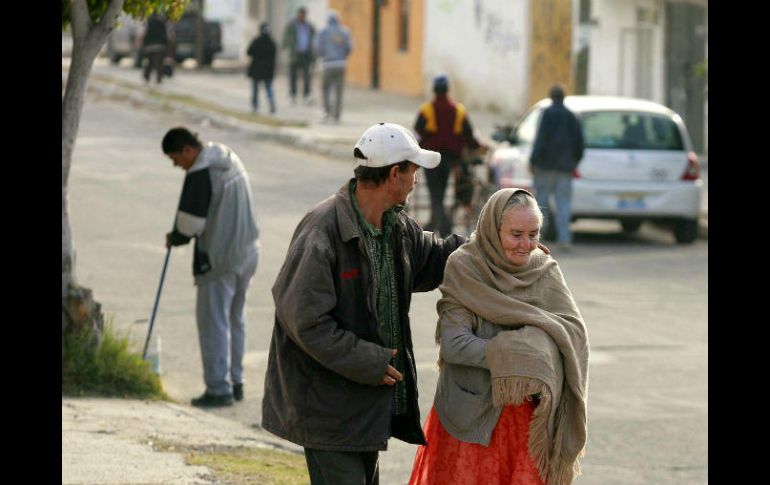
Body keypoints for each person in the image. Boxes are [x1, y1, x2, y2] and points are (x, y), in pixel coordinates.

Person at [261, 122, 468, 485]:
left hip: (364, 407)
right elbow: (306, 323)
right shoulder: (322, 231)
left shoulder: (396, 227)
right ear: (394, 175)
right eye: (413, 170)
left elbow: (438, 257)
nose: (417, 179)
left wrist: (494, 247)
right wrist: (368, 361)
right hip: (328, 410)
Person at [408, 188, 589, 485]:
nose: (526, 245)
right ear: (494, 229)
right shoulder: (466, 267)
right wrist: (521, 354)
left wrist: (537, 349)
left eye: (534, 234)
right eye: (516, 234)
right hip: (472, 424)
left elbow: (572, 334)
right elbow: (454, 345)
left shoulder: (545, 270)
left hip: (529, 427)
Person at [162, 127, 261, 408]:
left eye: (175, 158)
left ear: (188, 150)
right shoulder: (228, 156)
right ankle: (236, 380)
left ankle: (219, 389)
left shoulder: (200, 172)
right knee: (235, 318)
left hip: (220, 258)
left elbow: (190, 225)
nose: (176, 165)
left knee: (214, 322)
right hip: (249, 251)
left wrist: (175, 237)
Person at [414, 74, 486, 236]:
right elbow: (469, 136)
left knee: (435, 193)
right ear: (448, 89)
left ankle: (437, 225)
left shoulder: (427, 110)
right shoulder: (458, 110)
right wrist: (479, 146)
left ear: (434, 90)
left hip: (430, 158)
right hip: (450, 159)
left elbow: (417, 134)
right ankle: (441, 226)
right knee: (441, 191)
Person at [529, 83, 584, 249]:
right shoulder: (572, 116)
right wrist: (574, 162)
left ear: (551, 97)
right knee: (563, 204)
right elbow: (580, 144)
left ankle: (538, 239)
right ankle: (564, 239)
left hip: (545, 167)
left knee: (541, 203)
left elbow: (541, 139)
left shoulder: (547, 114)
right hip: (565, 169)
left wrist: (533, 160)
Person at [314, 10, 353, 123]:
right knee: (339, 91)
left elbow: (317, 48)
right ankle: (337, 115)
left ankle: (327, 112)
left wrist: (323, 55)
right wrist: (342, 56)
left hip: (327, 64)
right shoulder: (344, 32)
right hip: (341, 64)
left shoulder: (323, 32)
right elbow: (349, 47)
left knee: (325, 89)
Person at [283, 6, 315, 105]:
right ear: (298, 14)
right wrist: (287, 47)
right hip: (295, 54)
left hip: (305, 54)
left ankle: (306, 95)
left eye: (303, 14)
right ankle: (292, 95)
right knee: (293, 76)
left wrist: (314, 54)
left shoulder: (309, 26)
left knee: (307, 76)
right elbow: (286, 38)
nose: (302, 16)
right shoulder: (292, 25)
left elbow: (313, 39)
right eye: (300, 14)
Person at [246, 22, 277, 114]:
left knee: (255, 90)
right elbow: (274, 58)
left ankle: (255, 107)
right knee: (268, 88)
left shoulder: (257, 41)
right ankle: (271, 102)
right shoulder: (272, 43)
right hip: (267, 70)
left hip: (256, 70)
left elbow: (249, 52)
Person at [141, 13, 169, 85]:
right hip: (160, 46)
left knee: (149, 63)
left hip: (150, 46)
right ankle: (159, 78)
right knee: (159, 63)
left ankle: (147, 77)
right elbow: (165, 35)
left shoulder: (149, 23)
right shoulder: (162, 23)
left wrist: (144, 45)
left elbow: (145, 34)